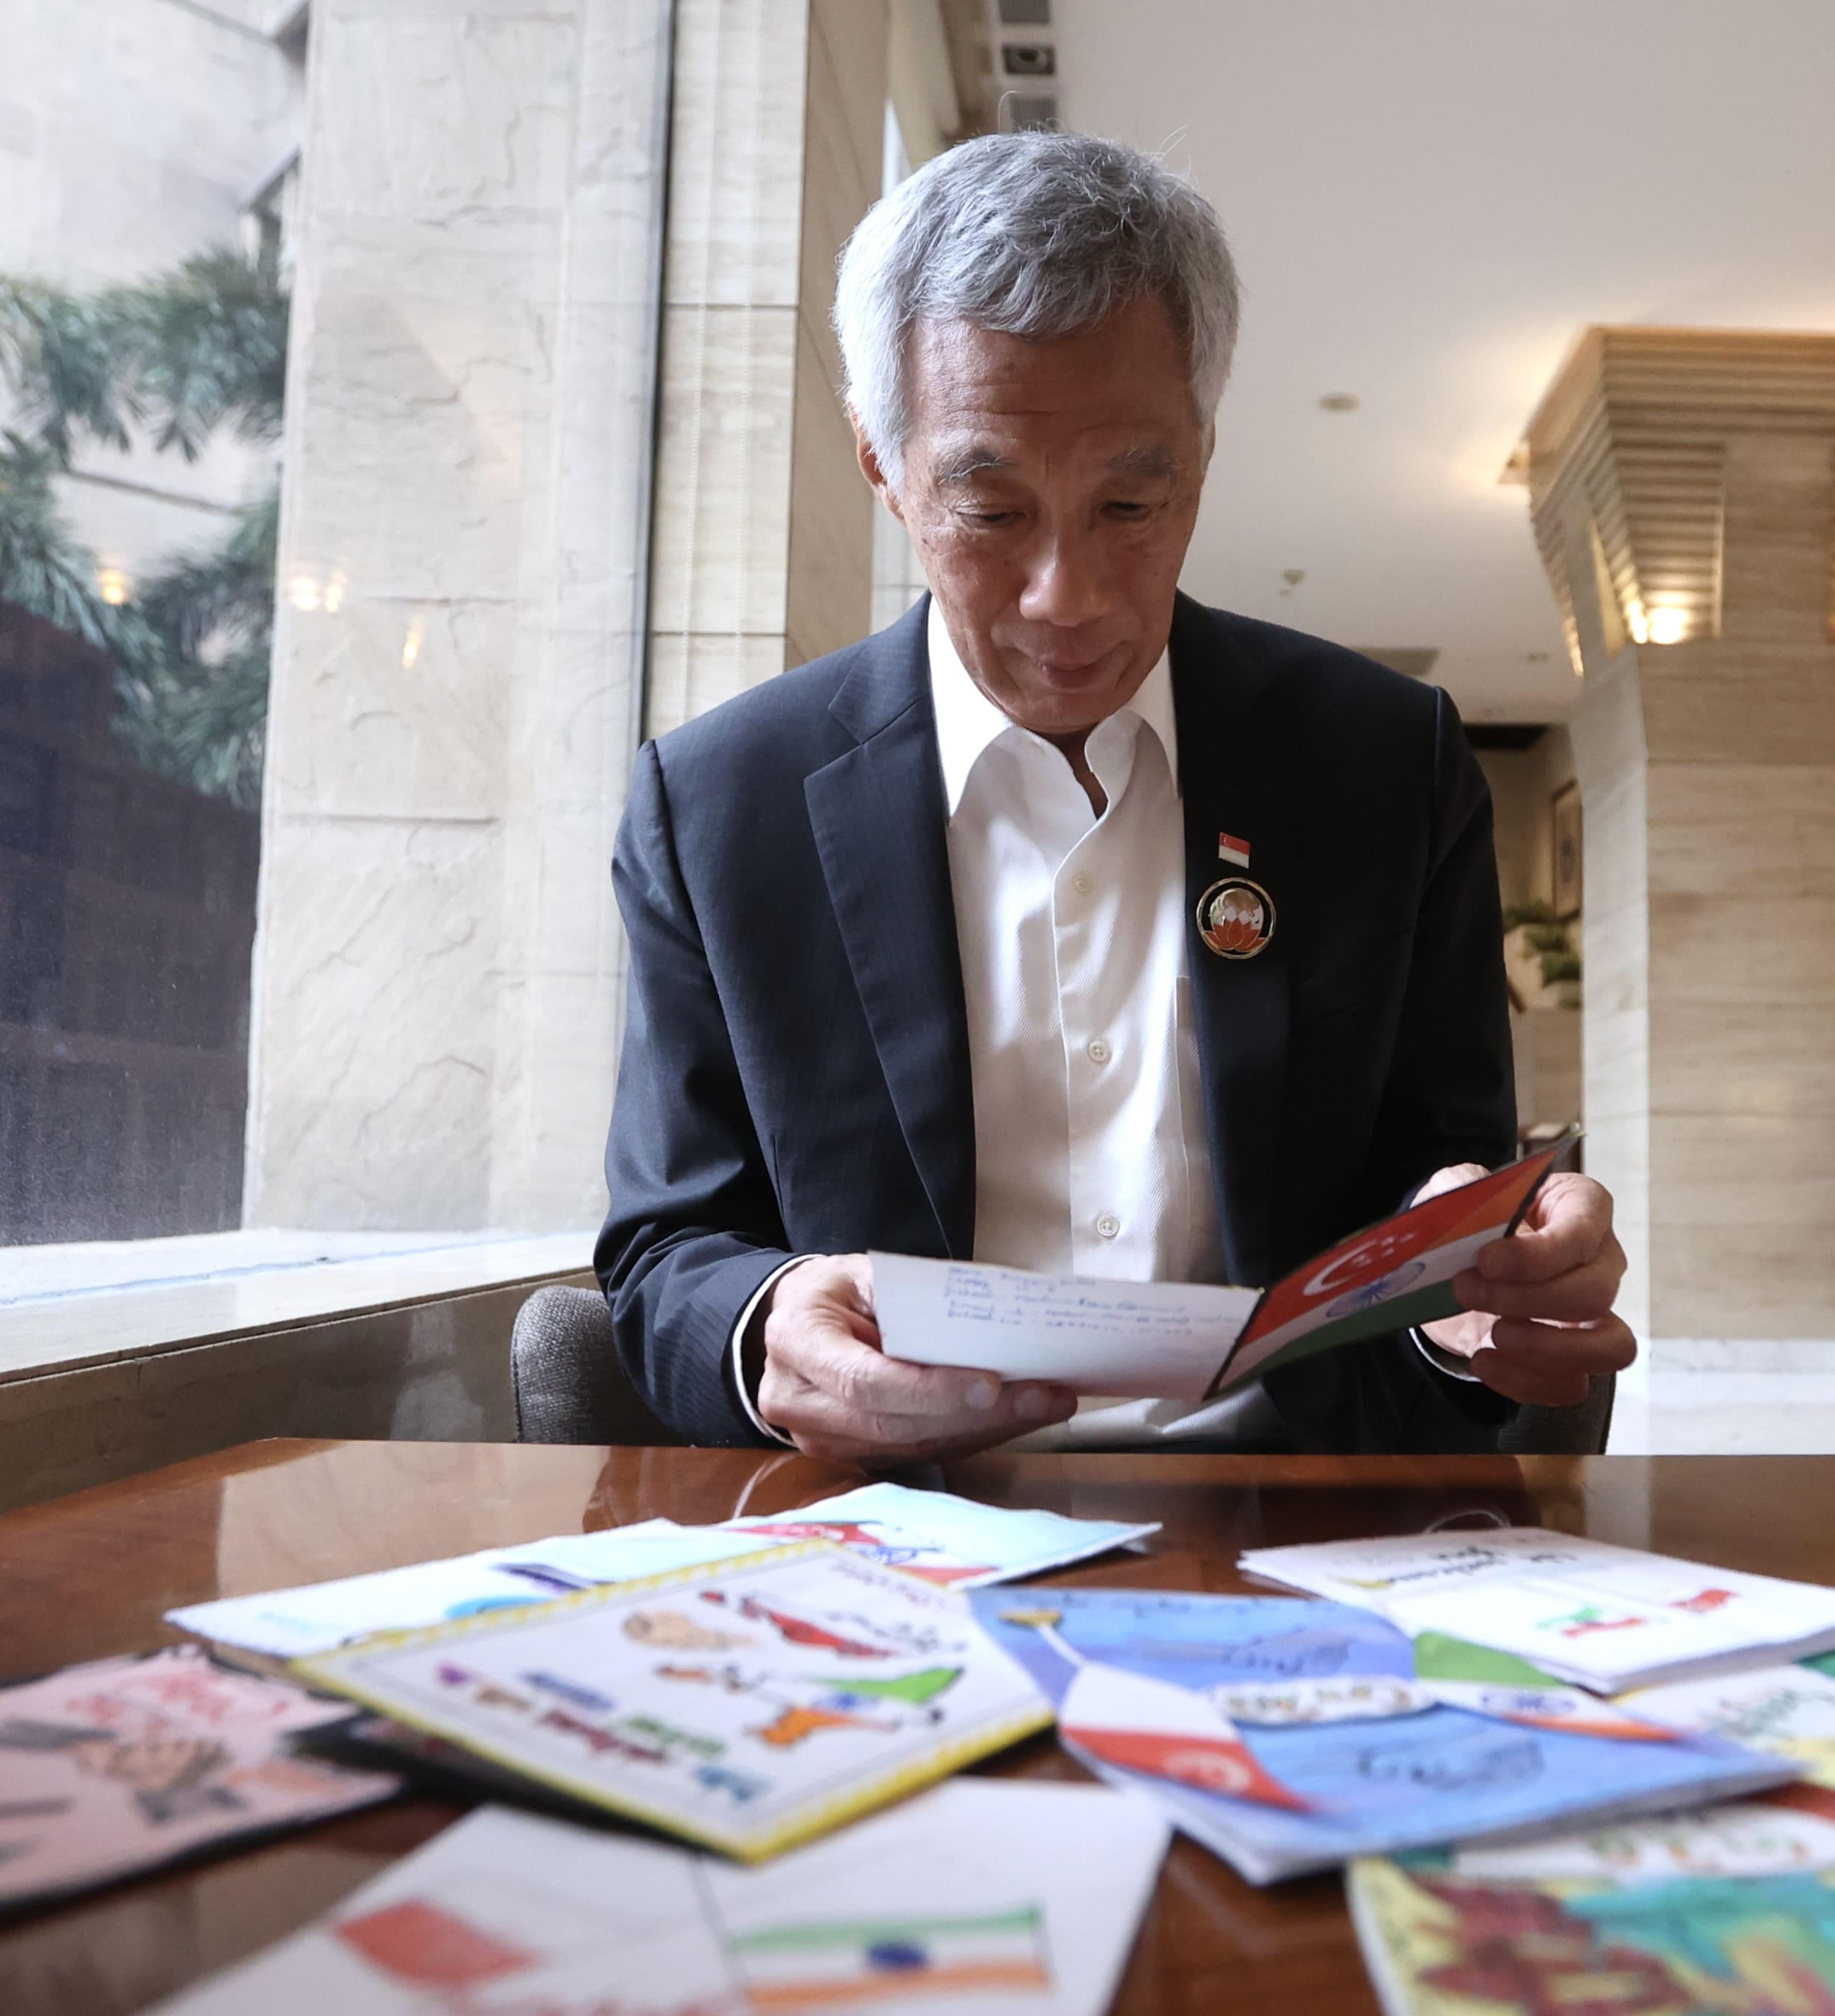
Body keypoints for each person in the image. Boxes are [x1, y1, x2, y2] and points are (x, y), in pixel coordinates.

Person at [595, 133, 1634, 1464]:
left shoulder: (1386, 761)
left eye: (1132, 504)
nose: (1066, 601)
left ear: (1202, 450)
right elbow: (664, 1242)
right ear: (881, 463)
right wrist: (767, 1320)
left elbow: (1438, 1167)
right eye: (990, 510)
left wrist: (1479, 1266)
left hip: (1296, 1519)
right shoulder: (720, 807)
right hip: (894, 1530)